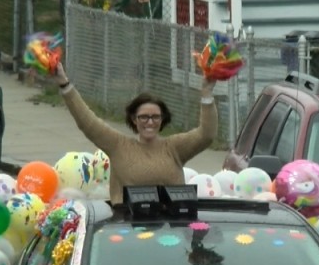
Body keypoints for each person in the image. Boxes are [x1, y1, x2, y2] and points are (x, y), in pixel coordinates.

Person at [52, 62, 218, 204]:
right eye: (144, 117)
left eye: (155, 117)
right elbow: (87, 122)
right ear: (134, 119)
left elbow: (206, 135)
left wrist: (207, 94)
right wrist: (65, 85)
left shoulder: (175, 147)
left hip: (171, 232)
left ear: (162, 119)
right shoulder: (118, 145)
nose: (150, 122)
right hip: (127, 231)